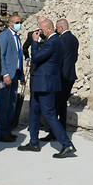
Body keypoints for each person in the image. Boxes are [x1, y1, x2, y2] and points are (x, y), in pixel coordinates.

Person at [17, 17, 76, 157]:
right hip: (42, 82)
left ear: (49, 29)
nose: (39, 32)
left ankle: (67, 144)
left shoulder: (52, 42)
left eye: (41, 29)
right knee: (34, 112)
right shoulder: (57, 41)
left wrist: (35, 43)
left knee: (49, 114)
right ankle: (34, 141)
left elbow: (36, 57)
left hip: (45, 83)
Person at [0, 13, 24, 142]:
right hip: (7, 76)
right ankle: (1, 132)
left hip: (15, 75)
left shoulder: (16, 37)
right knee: (4, 105)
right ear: (10, 23)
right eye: (16, 22)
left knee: (12, 104)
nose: (19, 24)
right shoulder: (4, 36)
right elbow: (0, 56)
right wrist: (5, 74)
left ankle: (7, 130)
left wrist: (21, 75)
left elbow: (17, 56)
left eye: (20, 22)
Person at [54, 17, 79, 133]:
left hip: (61, 76)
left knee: (57, 103)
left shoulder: (61, 39)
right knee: (62, 103)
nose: (56, 30)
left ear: (61, 27)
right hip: (70, 74)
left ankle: (55, 130)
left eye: (57, 28)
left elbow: (57, 58)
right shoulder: (74, 39)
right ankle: (61, 126)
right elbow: (75, 58)